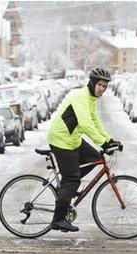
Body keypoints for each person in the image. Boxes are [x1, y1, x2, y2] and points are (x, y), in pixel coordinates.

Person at [47, 67, 122, 232]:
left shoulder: (91, 98)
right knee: (72, 179)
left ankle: (65, 191)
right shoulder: (80, 96)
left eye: (104, 86)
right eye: (100, 85)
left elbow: (95, 121)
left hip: (72, 138)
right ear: (93, 83)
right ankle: (58, 219)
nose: (102, 88)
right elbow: (86, 124)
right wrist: (103, 143)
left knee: (95, 158)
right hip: (61, 139)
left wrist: (109, 140)